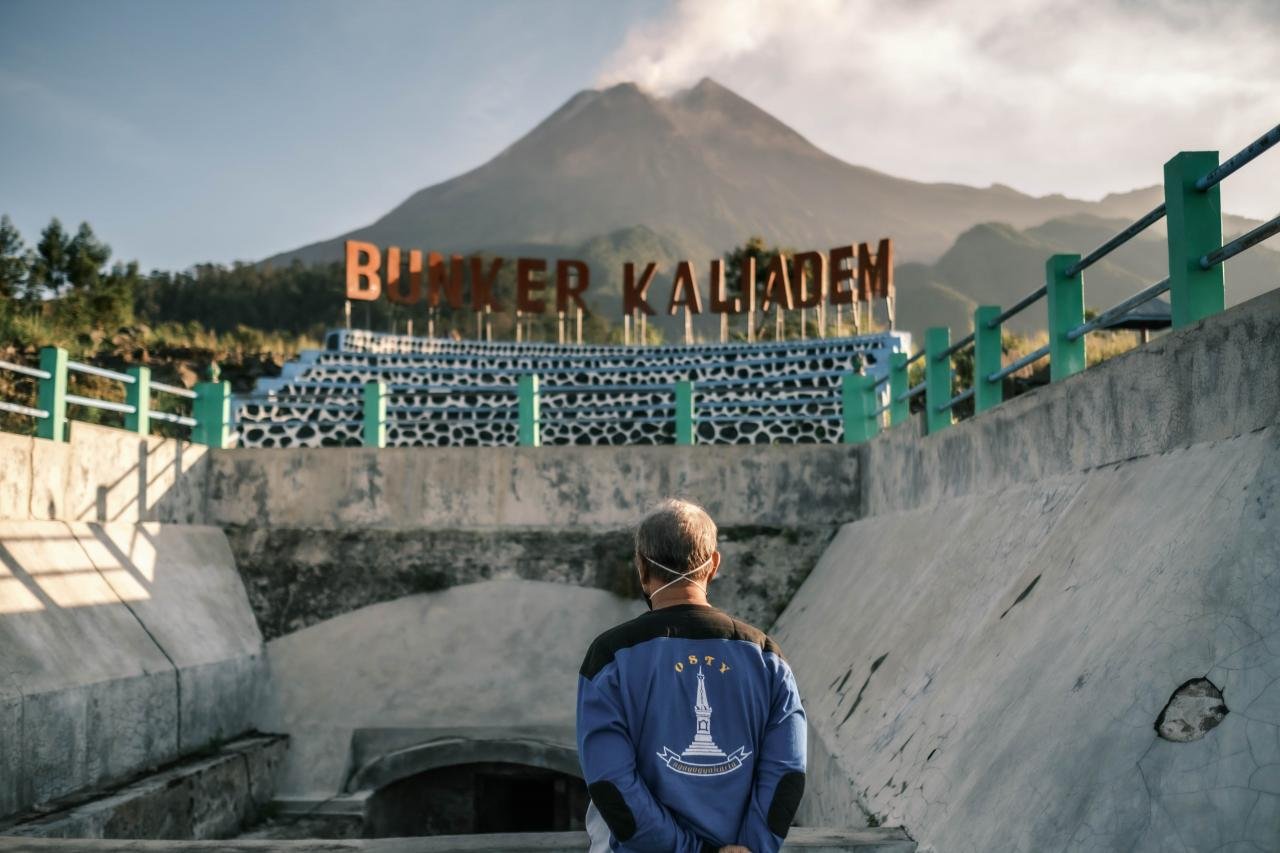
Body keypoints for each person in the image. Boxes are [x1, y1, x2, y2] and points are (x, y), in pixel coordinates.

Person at [576, 498, 807, 853]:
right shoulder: (766, 657)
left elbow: (611, 783)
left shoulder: (610, 658)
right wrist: (751, 847)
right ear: (713, 565)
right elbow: (786, 773)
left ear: (641, 568)